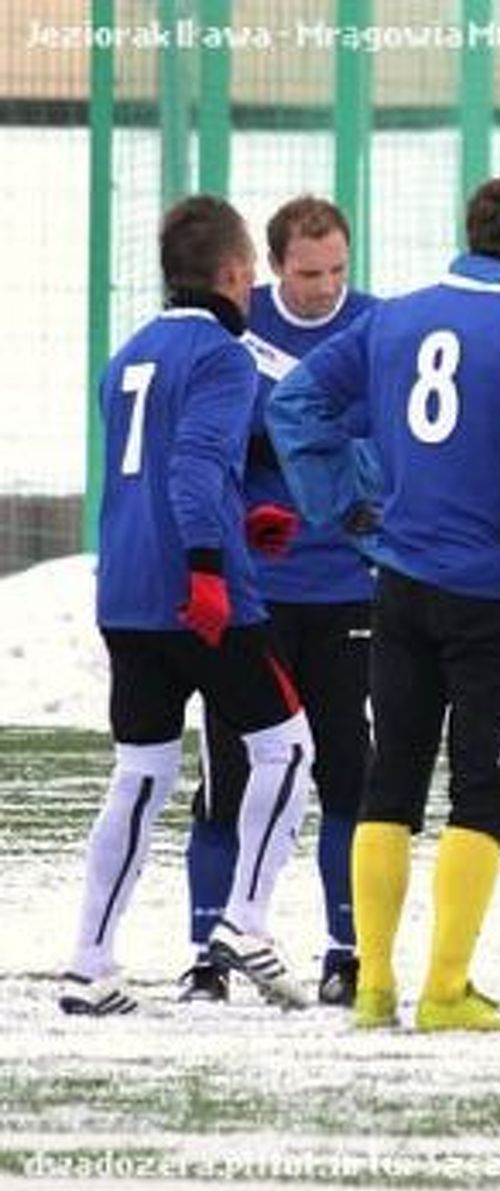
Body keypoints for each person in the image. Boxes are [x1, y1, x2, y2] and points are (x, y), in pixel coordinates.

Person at [269, 175, 500, 1033]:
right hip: (496, 593)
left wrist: (343, 502)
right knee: (482, 789)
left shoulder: (389, 319)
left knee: (390, 780)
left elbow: (295, 400)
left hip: (400, 586)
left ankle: (375, 987)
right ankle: (447, 990)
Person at [59, 194, 317, 1016]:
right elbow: (197, 464)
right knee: (288, 748)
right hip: (197, 594)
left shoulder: (126, 354)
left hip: (126, 590)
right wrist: (211, 562)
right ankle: (243, 918)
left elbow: (153, 476)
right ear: (238, 274)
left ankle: (89, 963)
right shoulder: (226, 357)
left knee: (141, 771)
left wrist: (240, 521)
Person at [179, 196, 378, 1008]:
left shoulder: (380, 327)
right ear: (269, 269)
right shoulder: (234, 330)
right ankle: (208, 951)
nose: (324, 287)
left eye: (336, 270)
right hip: (257, 593)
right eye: (306, 273)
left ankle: (346, 948)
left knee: (347, 773)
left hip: (347, 588)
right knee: (232, 776)